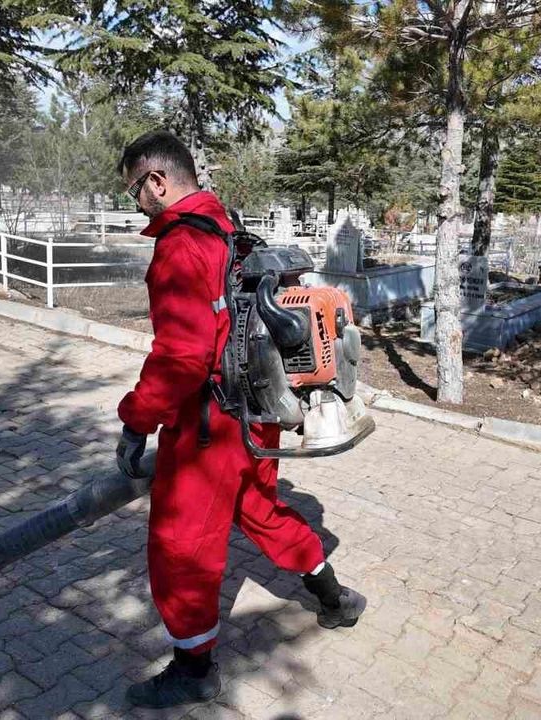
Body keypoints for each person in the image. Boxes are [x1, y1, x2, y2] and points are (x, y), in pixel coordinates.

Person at [113, 130, 366, 709]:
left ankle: (194, 671)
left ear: (158, 181)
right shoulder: (225, 226)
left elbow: (182, 356)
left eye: (135, 190)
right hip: (257, 415)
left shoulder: (181, 245)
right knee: (259, 510)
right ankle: (335, 599)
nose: (137, 202)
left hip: (210, 428)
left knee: (180, 546)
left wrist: (136, 421)